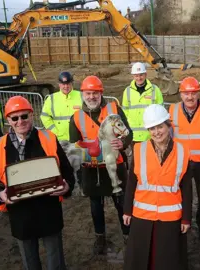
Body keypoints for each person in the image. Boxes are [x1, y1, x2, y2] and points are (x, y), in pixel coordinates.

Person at [0, 96, 75, 270]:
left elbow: (66, 171)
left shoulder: (49, 138)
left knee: (55, 260)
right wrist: (0, 195)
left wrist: (67, 187)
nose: (20, 121)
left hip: (48, 210)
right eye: (15, 118)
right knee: (30, 261)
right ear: (8, 121)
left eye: (24, 116)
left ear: (31, 116)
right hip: (21, 214)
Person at [123, 104, 193, 270]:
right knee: (140, 259)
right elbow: (131, 182)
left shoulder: (183, 152)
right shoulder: (139, 149)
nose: (157, 132)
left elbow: (187, 188)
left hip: (170, 218)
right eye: (152, 128)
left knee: (166, 260)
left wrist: (186, 218)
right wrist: (127, 210)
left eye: (160, 126)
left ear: (168, 126)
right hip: (142, 216)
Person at [69, 75, 133, 254]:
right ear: (83, 94)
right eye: (88, 93)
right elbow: (74, 145)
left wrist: (124, 143)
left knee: (122, 203)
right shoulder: (75, 117)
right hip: (92, 170)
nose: (91, 97)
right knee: (96, 206)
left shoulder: (114, 108)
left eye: (95, 93)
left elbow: (128, 133)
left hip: (116, 166)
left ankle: (128, 235)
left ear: (101, 93)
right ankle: (100, 237)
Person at [169, 76, 200, 242]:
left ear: (198, 93)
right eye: (186, 94)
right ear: (181, 94)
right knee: (179, 195)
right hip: (180, 163)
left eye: (193, 93)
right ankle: (181, 224)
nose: (189, 97)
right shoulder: (172, 110)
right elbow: (168, 138)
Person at [122, 62, 164, 143]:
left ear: (145, 74)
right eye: (136, 75)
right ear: (133, 76)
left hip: (151, 136)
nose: (139, 78)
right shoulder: (127, 91)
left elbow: (160, 112)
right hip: (133, 136)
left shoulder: (155, 90)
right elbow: (125, 113)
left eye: (141, 75)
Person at [41, 71, 82, 141]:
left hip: (79, 140)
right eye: (63, 84)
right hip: (60, 140)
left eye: (68, 83)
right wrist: (55, 131)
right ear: (59, 84)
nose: (66, 86)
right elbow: (44, 116)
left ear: (72, 83)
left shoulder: (81, 96)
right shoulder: (51, 99)